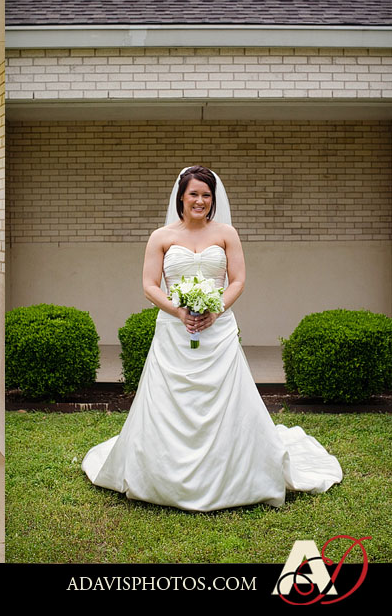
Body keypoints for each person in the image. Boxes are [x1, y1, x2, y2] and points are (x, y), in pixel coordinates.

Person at [82, 166, 343, 511]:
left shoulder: (226, 234)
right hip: (174, 332)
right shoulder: (161, 236)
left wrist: (215, 309)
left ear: (213, 200)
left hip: (218, 331)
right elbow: (148, 285)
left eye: (206, 195)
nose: (200, 201)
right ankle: (161, 472)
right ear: (181, 197)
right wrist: (178, 311)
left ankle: (234, 471)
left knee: (223, 398)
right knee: (170, 400)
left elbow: (237, 280)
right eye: (194, 194)